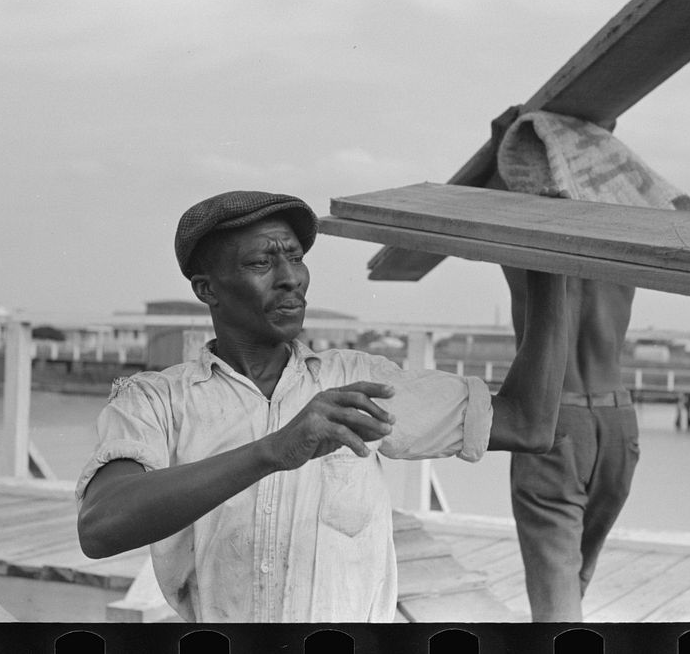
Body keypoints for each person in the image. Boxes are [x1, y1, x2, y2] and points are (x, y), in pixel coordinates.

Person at [76, 189, 571, 623]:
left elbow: (527, 425)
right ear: (207, 289)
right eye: (261, 263)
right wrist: (273, 450)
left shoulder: (358, 381)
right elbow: (100, 528)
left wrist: (551, 269)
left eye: (294, 256)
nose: (290, 277)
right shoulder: (156, 399)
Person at [486, 105, 690, 621]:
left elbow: (483, 205)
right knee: (576, 571)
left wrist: (499, 145)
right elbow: (683, 213)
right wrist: (599, 141)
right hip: (618, 420)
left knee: (556, 581)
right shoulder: (623, 239)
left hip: (554, 417)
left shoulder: (529, 243)